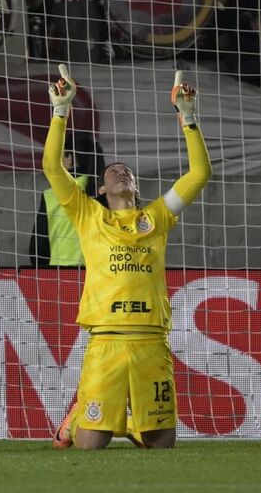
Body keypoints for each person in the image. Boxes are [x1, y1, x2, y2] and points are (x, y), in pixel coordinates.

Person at [47, 65, 211, 450]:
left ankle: (133, 426)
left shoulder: (156, 217)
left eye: (126, 171)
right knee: (91, 447)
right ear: (102, 190)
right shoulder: (90, 214)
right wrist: (60, 111)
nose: (121, 173)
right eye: (112, 172)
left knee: (162, 446)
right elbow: (53, 168)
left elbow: (200, 173)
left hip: (151, 340)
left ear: (135, 185)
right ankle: (75, 422)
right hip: (106, 341)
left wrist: (187, 116)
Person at [28, 130, 105, 268]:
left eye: (61, 155)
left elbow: (38, 248)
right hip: (100, 273)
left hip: (60, 274)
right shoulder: (107, 192)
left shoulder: (52, 194)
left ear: (69, 157)